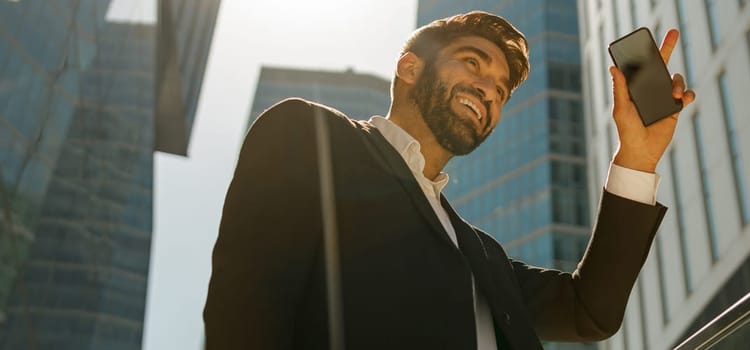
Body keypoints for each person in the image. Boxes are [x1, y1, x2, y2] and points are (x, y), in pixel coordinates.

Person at [203, 11, 695, 350]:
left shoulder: (481, 254)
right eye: (473, 63)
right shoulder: (310, 135)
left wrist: (636, 159)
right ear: (410, 68)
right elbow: (244, 312)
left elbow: (590, 313)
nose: (489, 90)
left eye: (501, 90)